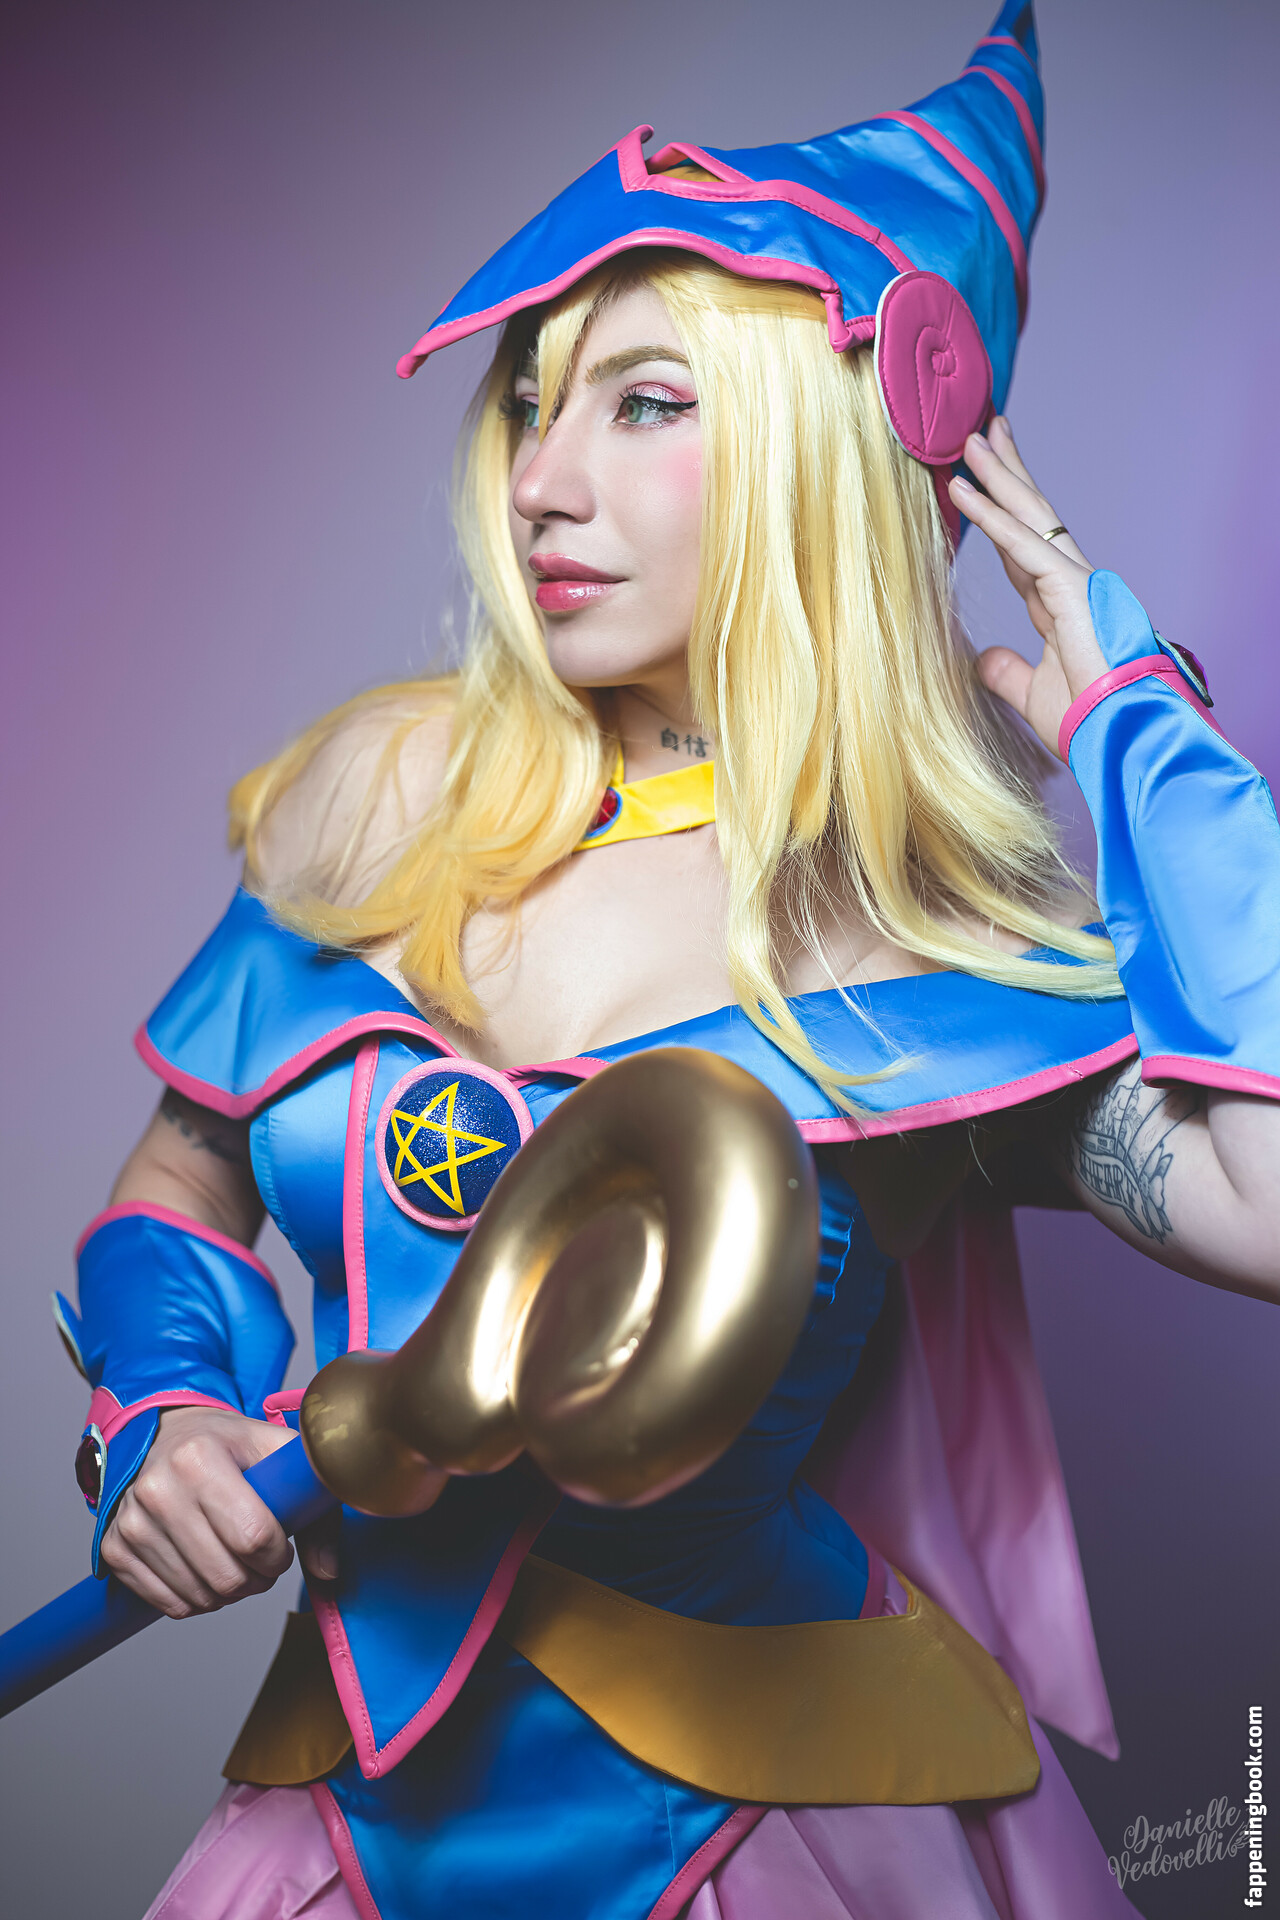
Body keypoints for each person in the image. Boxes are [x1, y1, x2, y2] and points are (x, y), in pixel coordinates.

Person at [57, 5, 1280, 1916]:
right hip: (337, 1824)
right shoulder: (385, 807)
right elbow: (181, 1181)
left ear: (816, 451)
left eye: (646, 404)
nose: (542, 480)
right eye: (533, 402)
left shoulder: (923, 940)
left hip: (769, 1829)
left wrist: (1141, 734)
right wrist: (162, 1418)